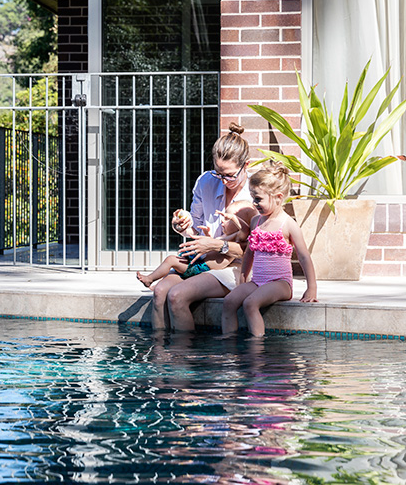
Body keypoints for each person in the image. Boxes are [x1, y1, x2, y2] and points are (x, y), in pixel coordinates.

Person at [151, 122, 257, 331]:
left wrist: (217, 245)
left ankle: (185, 359)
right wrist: (182, 225)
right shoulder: (206, 181)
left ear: (246, 165)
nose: (224, 181)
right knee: (160, 292)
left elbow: (252, 251)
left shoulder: (257, 193)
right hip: (205, 260)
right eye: (219, 173)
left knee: (176, 295)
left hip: (238, 267)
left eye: (230, 175)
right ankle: (160, 358)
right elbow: (195, 229)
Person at [221, 161, 318, 337]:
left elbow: (304, 257)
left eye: (258, 199)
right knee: (229, 301)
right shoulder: (256, 221)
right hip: (258, 281)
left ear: (278, 197)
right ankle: (229, 345)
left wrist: (311, 288)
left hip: (280, 283)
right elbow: (249, 252)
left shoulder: (288, 224)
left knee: (250, 303)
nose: (254, 203)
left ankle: (257, 350)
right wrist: (243, 278)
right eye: (253, 198)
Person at [136, 200, 257, 288]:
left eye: (227, 219)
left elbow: (245, 230)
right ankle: (155, 284)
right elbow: (214, 248)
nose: (222, 221)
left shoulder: (238, 237)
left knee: (171, 260)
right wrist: (208, 236)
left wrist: (234, 218)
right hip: (200, 264)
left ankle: (150, 279)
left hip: (202, 267)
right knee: (176, 264)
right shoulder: (227, 235)